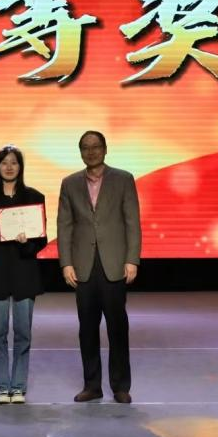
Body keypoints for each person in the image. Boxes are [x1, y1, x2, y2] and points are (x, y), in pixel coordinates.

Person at [57, 130, 141, 404]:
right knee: (87, 329)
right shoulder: (70, 184)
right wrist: (66, 263)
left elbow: (132, 222)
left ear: (105, 149)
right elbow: (64, 226)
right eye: (85, 147)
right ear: (80, 151)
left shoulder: (123, 179)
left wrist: (132, 259)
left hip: (114, 263)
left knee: (118, 328)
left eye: (96, 146)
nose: (91, 151)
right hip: (83, 267)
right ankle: (92, 385)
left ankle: (120, 386)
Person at [0, 145, 47, 404]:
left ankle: (18, 387)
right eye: (4, 162)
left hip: (24, 272)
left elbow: (41, 240)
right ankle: (1, 387)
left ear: (21, 166)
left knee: (23, 334)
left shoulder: (34, 197)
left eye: (13, 162)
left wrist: (26, 243)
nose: (9, 167)